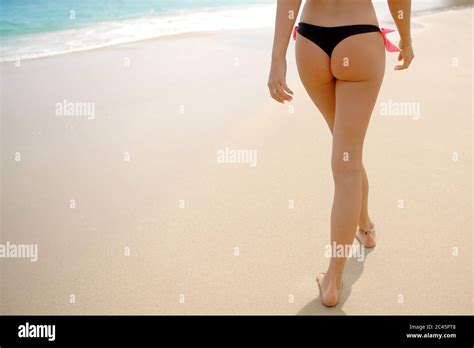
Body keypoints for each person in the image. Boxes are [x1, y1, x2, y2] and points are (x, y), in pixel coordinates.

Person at [268, 0, 414, 307]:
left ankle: (366, 227)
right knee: (347, 157)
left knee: (345, 151)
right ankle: (334, 278)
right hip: (359, 39)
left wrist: (277, 57)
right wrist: (406, 38)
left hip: (311, 42)